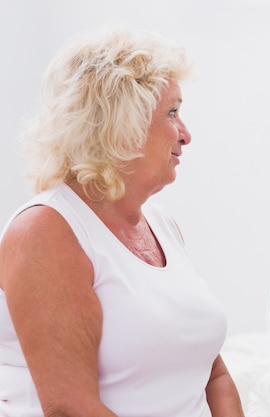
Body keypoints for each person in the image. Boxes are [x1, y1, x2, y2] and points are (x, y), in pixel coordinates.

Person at [0, 27, 244, 417]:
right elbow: (70, 408)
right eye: (173, 112)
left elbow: (212, 376)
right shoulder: (46, 231)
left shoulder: (162, 225)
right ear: (119, 123)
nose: (186, 134)